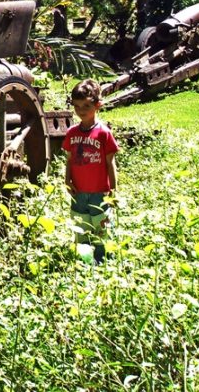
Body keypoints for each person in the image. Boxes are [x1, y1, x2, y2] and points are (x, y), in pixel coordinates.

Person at [61, 79, 119, 264]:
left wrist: (114, 190)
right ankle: (84, 261)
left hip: (99, 192)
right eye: (77, 106)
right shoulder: (71, 133)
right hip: (79, 191)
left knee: (101, 226)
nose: (81, 110)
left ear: (98, 105)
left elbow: (111, 163)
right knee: (80, 224)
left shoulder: (103, 133)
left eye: (86, 105)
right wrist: (67, 180)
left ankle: (104, 260)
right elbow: (69, 160)